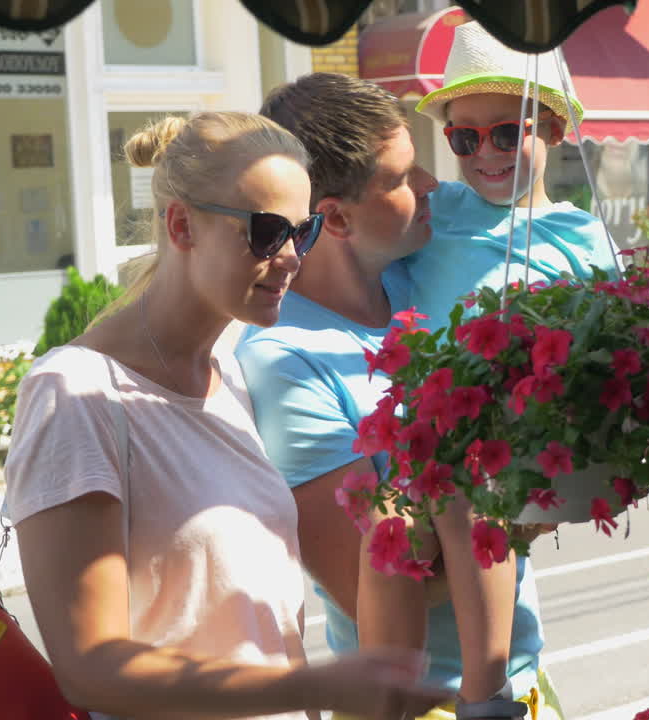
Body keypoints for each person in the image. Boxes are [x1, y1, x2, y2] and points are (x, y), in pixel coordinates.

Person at [2, 111, 449, 720]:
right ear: (182, 225)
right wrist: (315, 688)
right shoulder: (76, 394)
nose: (291, 256)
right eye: (267, 232)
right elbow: (91, 670)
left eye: (305, 230)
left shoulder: (228, 370)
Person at [241, 72, 565, 720]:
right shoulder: (284, 362)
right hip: (421, 706)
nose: (431, 187)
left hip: (524, 680)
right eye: (403, 175)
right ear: (334, 216)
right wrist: (524, 505)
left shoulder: (427, 280)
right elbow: (376, 581)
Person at [407, 19, 619, 327]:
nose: (486, 152)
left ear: (555, 130)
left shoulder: (586, 238)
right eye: (465, 136)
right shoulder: (432, 206)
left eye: (508, 133)